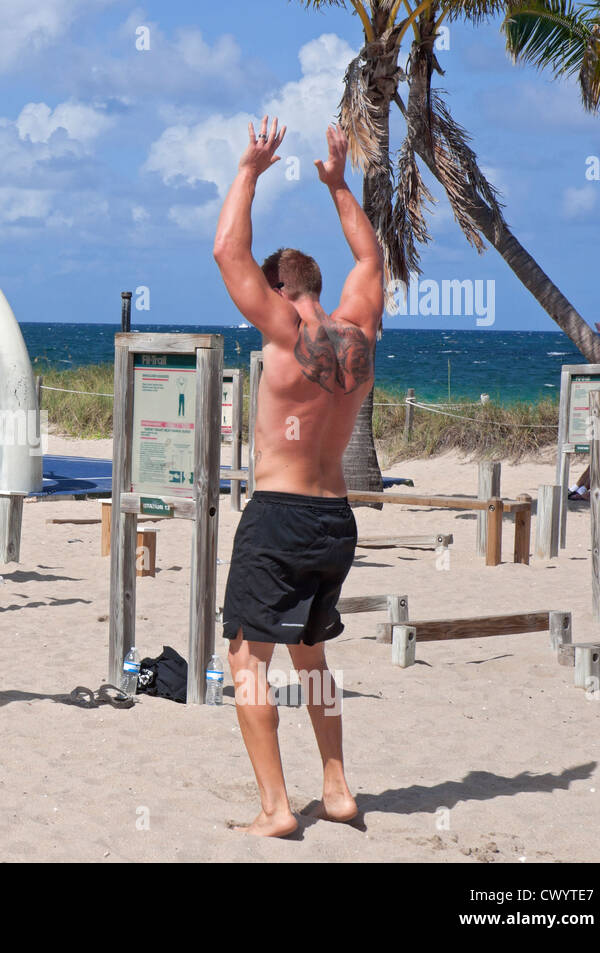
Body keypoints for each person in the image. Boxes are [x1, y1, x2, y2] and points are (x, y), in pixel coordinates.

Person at [212, 117, 383, 838]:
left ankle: (277, 807)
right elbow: (370, 257)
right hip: (335, 520)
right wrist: (340, 184)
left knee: (246, 656)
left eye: (268, 288)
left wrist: (249, 169)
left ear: (282, 290)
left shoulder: (285, 336)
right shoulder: (362, 337)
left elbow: (227, 250)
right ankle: (337, 790)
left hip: (279, 514)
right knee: (310, 653)